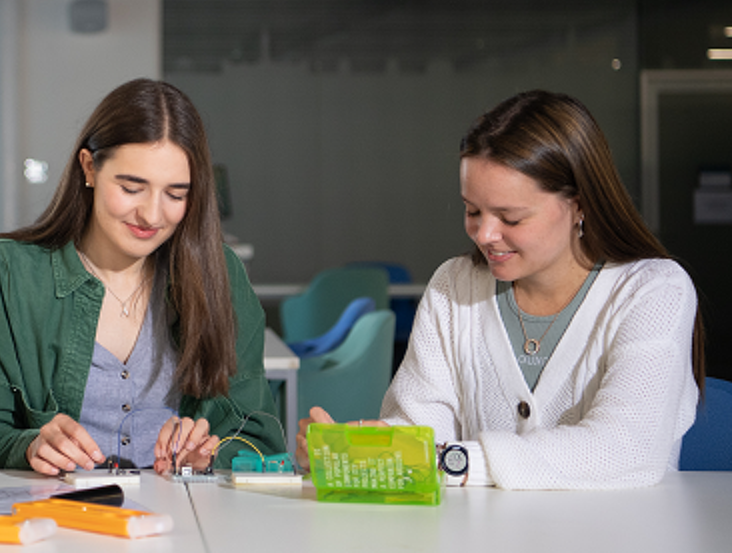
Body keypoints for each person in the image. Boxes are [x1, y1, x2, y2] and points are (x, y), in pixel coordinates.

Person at [299, 90, 703, 490]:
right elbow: (422, 431)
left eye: (510, 217)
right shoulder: (454, 286)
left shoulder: (654, 291)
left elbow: (623, 448)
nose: (485, 235)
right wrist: (361, 449)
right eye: (472, 211)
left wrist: (453, 461)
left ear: (580, 205)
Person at [0, 78, 286, 476]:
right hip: (55, 522)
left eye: (175, 195)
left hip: (188, 523)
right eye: (132, 187)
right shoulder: (9, 274)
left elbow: (257, 436)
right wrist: (28, 446)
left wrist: (210, 457)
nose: (152, 215)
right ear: (89, 168)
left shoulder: (219, 275)